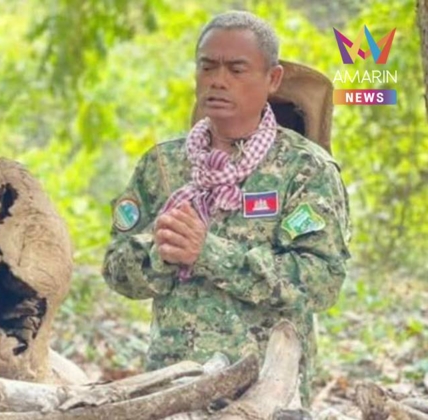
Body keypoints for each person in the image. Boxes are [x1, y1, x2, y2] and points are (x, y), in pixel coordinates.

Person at [101, 11, 350, 404]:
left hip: (265, 394)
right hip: (172, 392)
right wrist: (160, 254)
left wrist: (209, 254)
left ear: (273, 79)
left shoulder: (305, 169)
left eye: (236, 69)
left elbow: (322, 282)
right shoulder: (162, 165)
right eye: (207, 67)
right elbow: (116, 270)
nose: (218, 80)